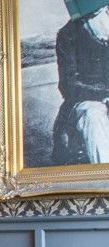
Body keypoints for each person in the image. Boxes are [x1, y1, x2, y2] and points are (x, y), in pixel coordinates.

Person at [53, 0, 109, 164]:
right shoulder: (68, 34)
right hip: (84, 102)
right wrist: (104, 96)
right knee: (94, 116)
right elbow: (68, 85)